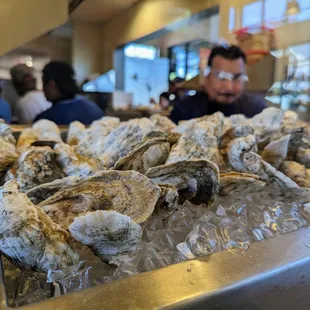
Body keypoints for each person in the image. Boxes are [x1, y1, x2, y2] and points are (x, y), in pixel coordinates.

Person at [169, 45, 267, 123]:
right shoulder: (184, 111)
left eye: (236, 77)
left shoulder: (257, 111)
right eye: (222, 77)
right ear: (207, 77)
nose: (229, 88)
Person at [35, 61, 104, 125]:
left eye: (43, 84)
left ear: (51, 85)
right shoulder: (95, 109)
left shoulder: (46, 120)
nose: (43, 89)